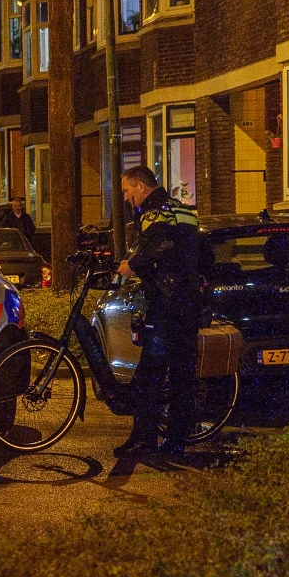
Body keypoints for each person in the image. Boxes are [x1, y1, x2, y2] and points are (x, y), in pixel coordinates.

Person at [113, 166, 203, 457]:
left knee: (150, 375)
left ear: (141, 186)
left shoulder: (153, 213)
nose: (127, 198)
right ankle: (177, 441)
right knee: (182, 375)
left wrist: (132, 265)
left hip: (165, 304)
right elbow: (203, 253)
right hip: (188, 304)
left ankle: (144, 440)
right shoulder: (183, 210)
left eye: (128, 191)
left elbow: (161, 246)